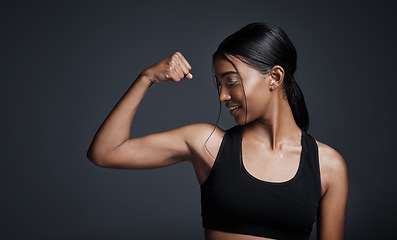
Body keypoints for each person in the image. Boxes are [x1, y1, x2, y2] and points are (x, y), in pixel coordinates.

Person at [87, 22, 348, 240]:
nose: (223, 95)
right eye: (219, 84)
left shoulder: (328, 166)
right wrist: (147, 78)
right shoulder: (208, 143)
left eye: (232, 82)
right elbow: (105, 152)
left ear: (275, 77)